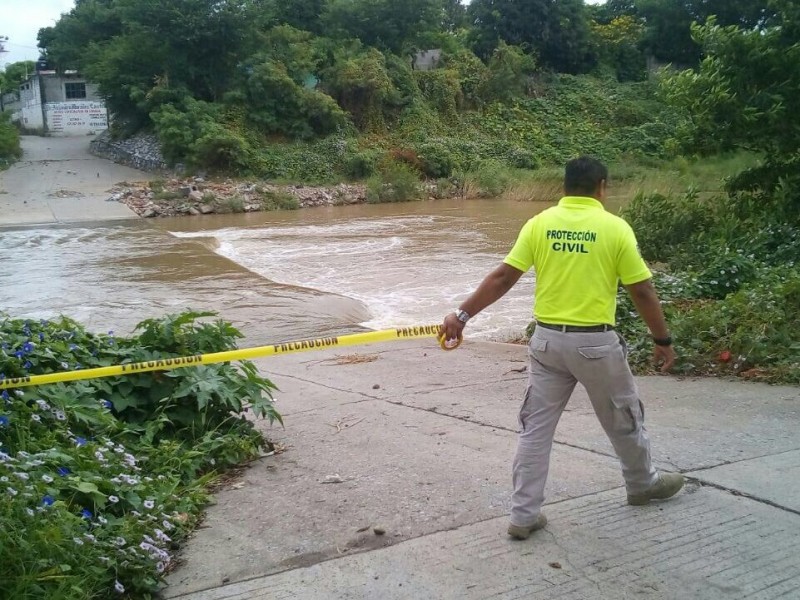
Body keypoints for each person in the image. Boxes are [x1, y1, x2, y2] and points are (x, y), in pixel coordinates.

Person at [440, 156, 684, 541]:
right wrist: (662, 340)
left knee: (535, 429)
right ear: (602, 187)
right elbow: (641, 289)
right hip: (596, 345)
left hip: (547, 342)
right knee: (623, 416)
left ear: (564, 186)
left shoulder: (540, 224)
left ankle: (523, 515)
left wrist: (462, 314)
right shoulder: (614, 228)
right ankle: (642, 485)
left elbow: (503, 277)